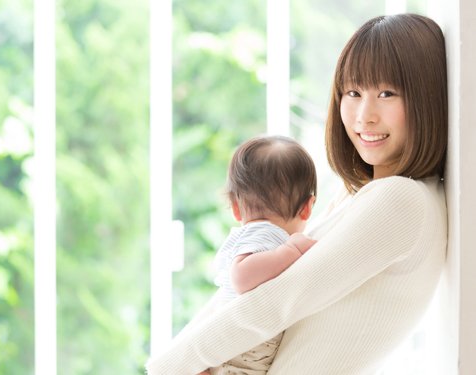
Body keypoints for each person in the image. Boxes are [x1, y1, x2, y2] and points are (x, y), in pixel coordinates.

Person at [146, 13, 448, 375]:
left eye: (386, 93)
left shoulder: (402, 199)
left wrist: (166, 368)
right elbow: (247, 287)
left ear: (425, 98)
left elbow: (276, 302)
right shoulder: (360, 196)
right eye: (352, 92)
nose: (364, 115)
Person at [202, 135, 318, 375]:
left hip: (232, 347)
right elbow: (242, 277)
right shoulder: (267, 233)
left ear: (235, 208)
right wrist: (291, 251)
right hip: (241, 351)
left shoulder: (254, 235)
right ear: (307, 207)